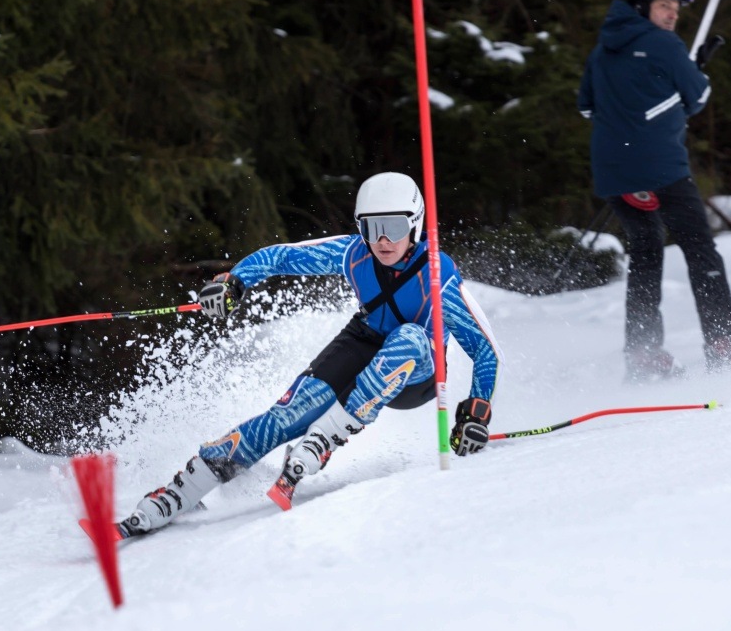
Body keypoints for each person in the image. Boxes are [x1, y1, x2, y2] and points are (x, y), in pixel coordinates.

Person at [115, 172, 502, 536]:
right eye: (371, 228)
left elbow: (483, 348)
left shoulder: (438, 273)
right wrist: (235, 282)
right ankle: (184, 489)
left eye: (394, 227)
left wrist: (476, 410)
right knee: (287, 416)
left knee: (409, 337)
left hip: (418, 371)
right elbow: (282, 257)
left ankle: (326, 437)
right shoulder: (354, 253)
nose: (383, 240)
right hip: (365, 340)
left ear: (415, 226)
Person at [577, 0, 731, 380]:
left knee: (646, 254)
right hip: (662, 168)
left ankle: (643, 356)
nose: (672, 14)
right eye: (664, 5)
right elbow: (698, 97)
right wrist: (692, 72)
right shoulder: (663, 43)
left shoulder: (602, 50)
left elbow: (587, 107)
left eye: (675, 8)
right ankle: (725, 344)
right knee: (700, 251)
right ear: (642, 7)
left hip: (615, 174)